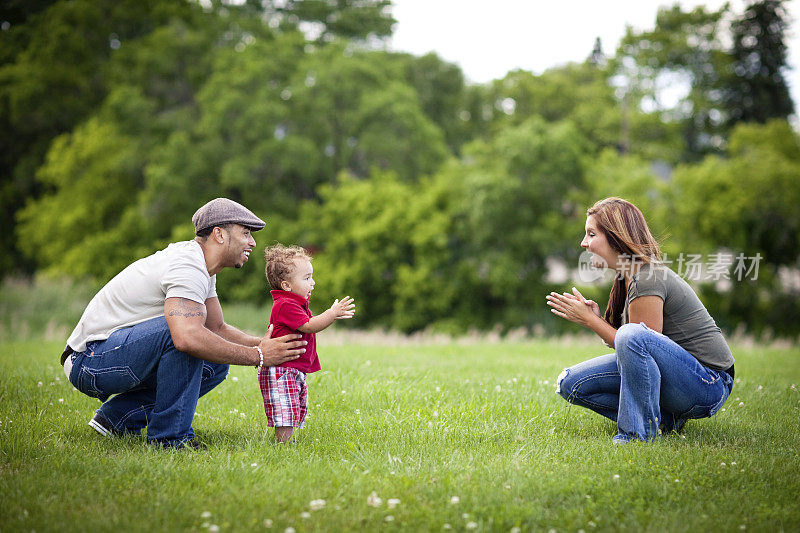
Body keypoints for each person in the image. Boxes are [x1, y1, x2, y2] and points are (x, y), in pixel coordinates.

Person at [61, 198, 308, 449]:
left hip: (108, 356)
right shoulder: (187, 266)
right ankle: (170, 439)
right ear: (219, 234)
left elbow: (217, 328)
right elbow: (186, 337)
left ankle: (117, 418)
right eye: (245, 233)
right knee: (185, 337)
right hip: (90, 361)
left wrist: (264, 344)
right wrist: (258, 356)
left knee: (215, 365)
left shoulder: (203, 268)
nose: (252, 242)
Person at [546, 197, 735, 443]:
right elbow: (635, 353)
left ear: (616, 237)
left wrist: (592, 322)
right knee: (570, 383)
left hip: (708, 383)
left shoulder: (647, 277)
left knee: (632, 335)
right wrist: (594, 319)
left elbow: (640, 343)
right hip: (681, 379)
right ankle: (664, 420)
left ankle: (637, 434)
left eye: (591, 234)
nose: (584, 243)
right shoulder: (628, 277)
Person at [259, 244, 355, 443]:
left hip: (290, 368)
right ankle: (284, 444)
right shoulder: (285, 304)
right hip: (281, 370)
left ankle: (287, 441)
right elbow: (309, 326)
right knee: (285, 409)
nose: (313, 282)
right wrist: (332, 313)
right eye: (306, 278)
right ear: (286, 285)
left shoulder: (294, 303)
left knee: (295, 405)